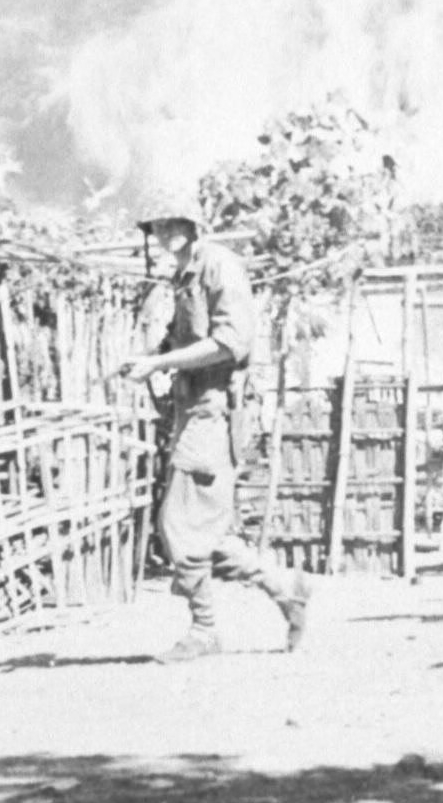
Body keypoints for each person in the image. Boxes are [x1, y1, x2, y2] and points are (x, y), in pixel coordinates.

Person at [113, 194, 311, 659]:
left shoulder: (220, 266)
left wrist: (160, 361)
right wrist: (151, 358)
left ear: (193, 220)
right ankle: (285, 588)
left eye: (173, 221)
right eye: (157, 225)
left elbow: (231, 341)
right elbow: (188, 337)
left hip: (216, 412)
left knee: (178, 524)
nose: (165, 232)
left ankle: (205, 631)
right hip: (192, 411)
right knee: (204, 528)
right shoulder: (185, 274)